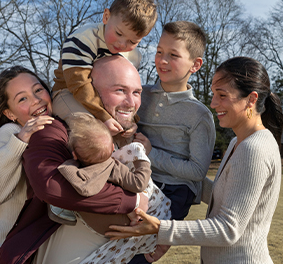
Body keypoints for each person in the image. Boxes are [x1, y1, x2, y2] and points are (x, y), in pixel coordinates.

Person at [106, 56, 283, 264]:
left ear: (251, 99)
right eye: (214, 94)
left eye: (222, 95)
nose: (213, 103)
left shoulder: (254, 149)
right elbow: (222, 193)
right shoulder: (239, 141)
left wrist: (159, 228)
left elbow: (228, 229)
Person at [0, 55, 171, 264]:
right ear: (91, 94)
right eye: (119, 90)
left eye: (136, 92)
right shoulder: (50, 129)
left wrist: (159, 235)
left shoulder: (120, 134)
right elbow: (50, 186)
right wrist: (133, 201)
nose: (131, 101)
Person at [130, 21, 216, 263]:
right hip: (136, 179)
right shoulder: (139, 93)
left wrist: (151, 153)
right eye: (159, 52)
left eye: (173, 55)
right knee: (110, 240)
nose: (162, 60)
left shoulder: (199, 115)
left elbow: (198, 171)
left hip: (174, 192)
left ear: (195, 65)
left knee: (139, 255)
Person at [52, 0, 157, 135]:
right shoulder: (83, 39)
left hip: (101, 98)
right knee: (91, 129)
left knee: (124, 131)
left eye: (132, 41)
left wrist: (131, 121)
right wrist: (103, 116)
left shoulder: (132, 56)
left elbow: (127, 92)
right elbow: (79, 84)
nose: (122, 44)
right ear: (106, 17)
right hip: (68, 92)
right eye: (118, 33)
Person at [0, 66, 55, 264]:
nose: (36, 100)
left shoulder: (55, 131)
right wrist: (21, 139)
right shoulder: (9, 133)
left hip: (43, 248)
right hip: (10, 254)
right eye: (22, 99)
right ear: (10, 113)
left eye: (38, 90)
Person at [48, 113, 152, 226]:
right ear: (113, 147)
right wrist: (142, 158)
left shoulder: (71, 170)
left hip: (90, 222)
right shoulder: (115, 169)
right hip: (115, 219)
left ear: (74, 154)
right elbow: (139, 184)